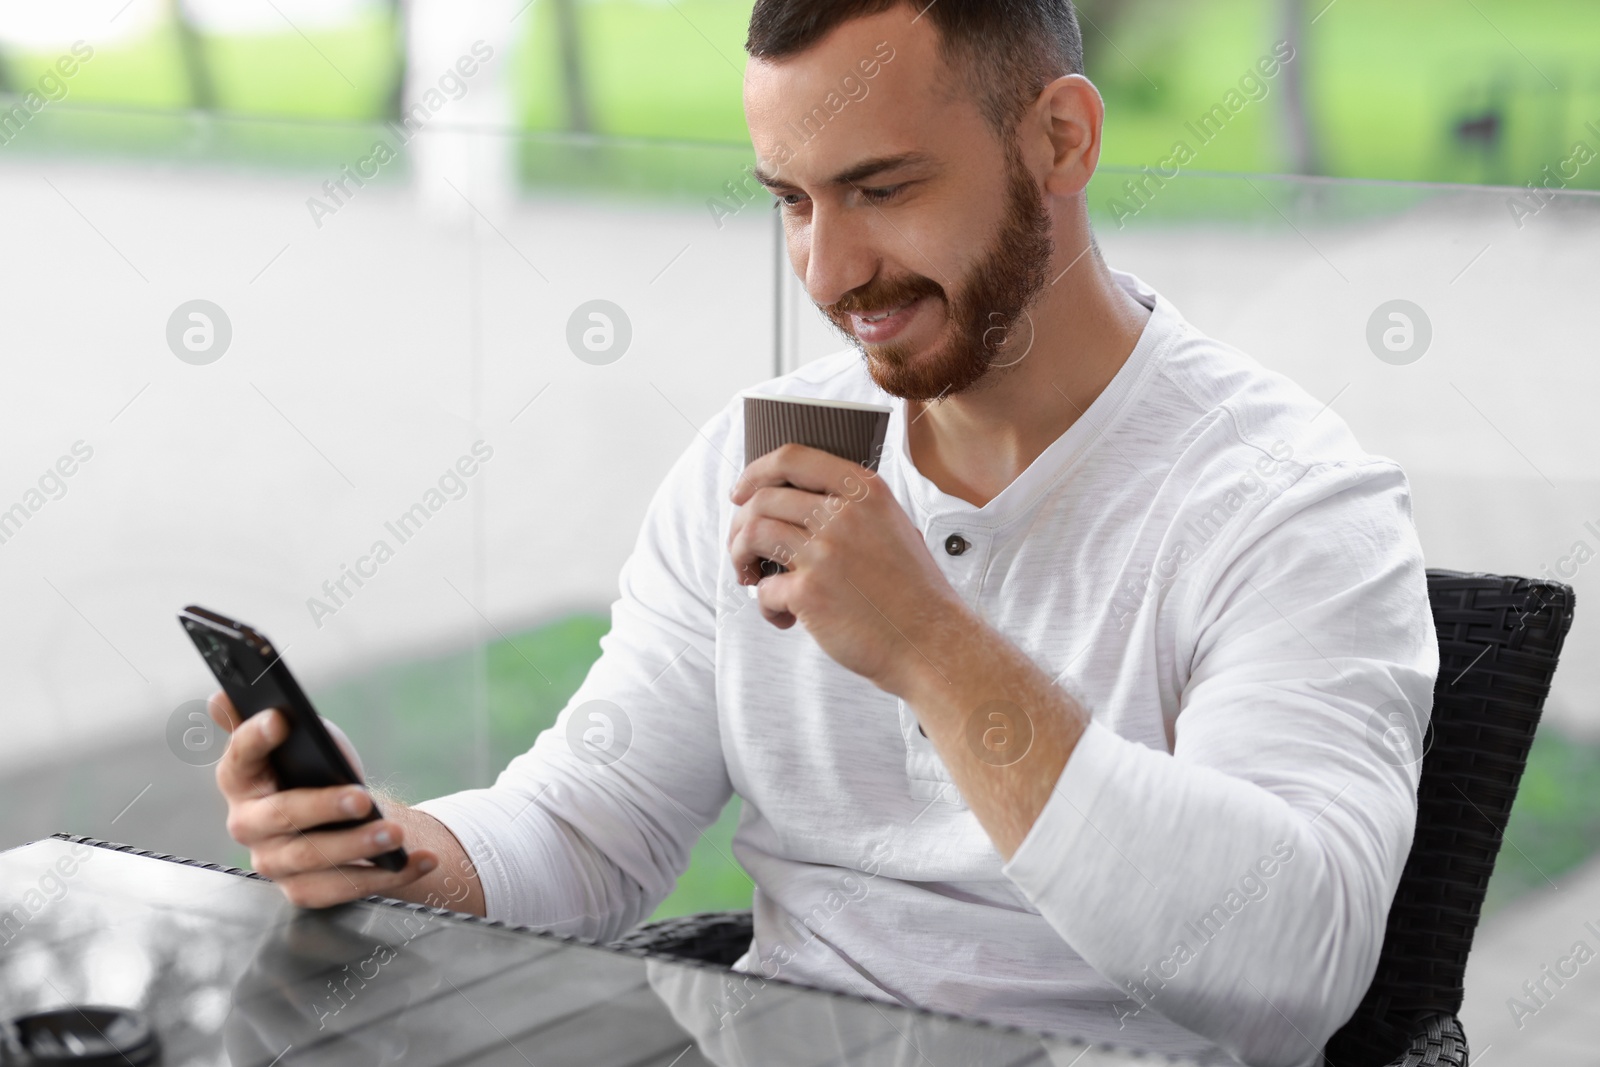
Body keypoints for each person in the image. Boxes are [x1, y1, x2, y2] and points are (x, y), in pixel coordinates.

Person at [207, 2, 1437, 1064]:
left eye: (882, 188)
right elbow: (592, 822)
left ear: (1061, 137)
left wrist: (928, 645)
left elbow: (1291, 973)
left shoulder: (1287, 500)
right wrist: (399, 854)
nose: (830, 269)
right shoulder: (754, 459)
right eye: (792, 200)